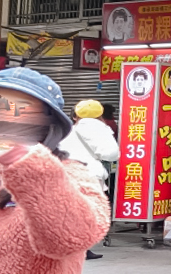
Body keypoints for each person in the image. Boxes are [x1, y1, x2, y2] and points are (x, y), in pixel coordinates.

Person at [0, 67, 109, 273]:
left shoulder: (73, 177)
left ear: (48, 128)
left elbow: (72, 237)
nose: (3, 122)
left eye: (22, 113)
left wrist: (25, 165)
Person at [60, 99, 119, 261]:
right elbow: (111, 154)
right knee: (87, 214)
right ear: (100, 114)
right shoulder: (100, 129)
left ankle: (71, 247)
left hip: (67, 172)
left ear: (75, 115)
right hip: (89, 175)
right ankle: (82, 249)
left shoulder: (70, 129)